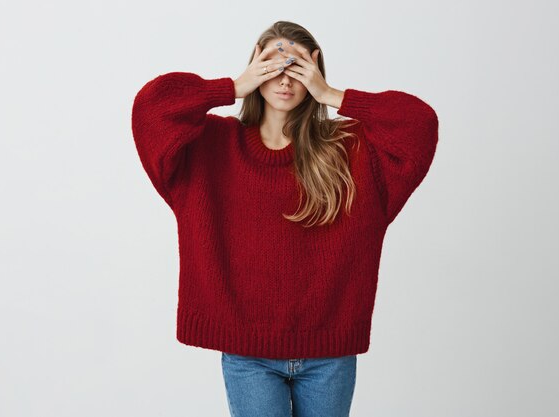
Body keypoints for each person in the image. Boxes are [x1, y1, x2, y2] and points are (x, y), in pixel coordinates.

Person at [131, 20, 438, 417]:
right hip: (248, 356)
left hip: (329, 355)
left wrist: (332, 95)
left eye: (297, 66)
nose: (284, 76)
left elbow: (420, 124)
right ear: (254, 66)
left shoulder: (350, 151)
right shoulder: (209, 147)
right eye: (273, 62)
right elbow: (150, 109)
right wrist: (230, 87)